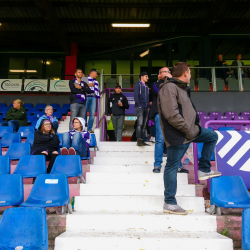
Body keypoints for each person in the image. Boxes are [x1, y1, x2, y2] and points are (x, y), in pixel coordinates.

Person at [158, 62, 221, 215]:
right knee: (172, 166)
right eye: (190, 73)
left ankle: (204, 168)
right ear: (185, 73)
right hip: (179, 134)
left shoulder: (180, 88)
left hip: (189, 131)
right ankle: (170, 202)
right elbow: (172, 115)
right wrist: (188, 130)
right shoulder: (169, 88)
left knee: (212, 136)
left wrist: (192, 129)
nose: (191, 76)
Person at [150, 67, 189, 174]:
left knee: (175, 141)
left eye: (169, 72)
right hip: (160, 114)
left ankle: (177, 166)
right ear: (159, 75)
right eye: (165, 72)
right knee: (160, 140)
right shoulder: (155, 84)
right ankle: (157, 165)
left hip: (173, 116)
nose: (167, 73)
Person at [134, 72, 150, 146]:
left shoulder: (146, 87)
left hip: (146, 107)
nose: (148, 78)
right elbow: (136, 96)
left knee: (144, 125)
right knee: (140, 124)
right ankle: (139, 139)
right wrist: (139, 105)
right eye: (146, 76)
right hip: (140, 107)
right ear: (141, 77)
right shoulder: (137, 85)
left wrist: (148, 107)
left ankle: (142, 140)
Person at [82, 69, 100, 133]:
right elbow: (80, 87)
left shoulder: (96, 81)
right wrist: (88, 85)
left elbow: (98, 90)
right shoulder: (84, 79)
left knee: (92, 114)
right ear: (93, 72)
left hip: (93, 97)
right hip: (86, 96)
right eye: (97, 74)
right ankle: (83, 128)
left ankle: (89, 129)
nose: (97, 75)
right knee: (83, 113)